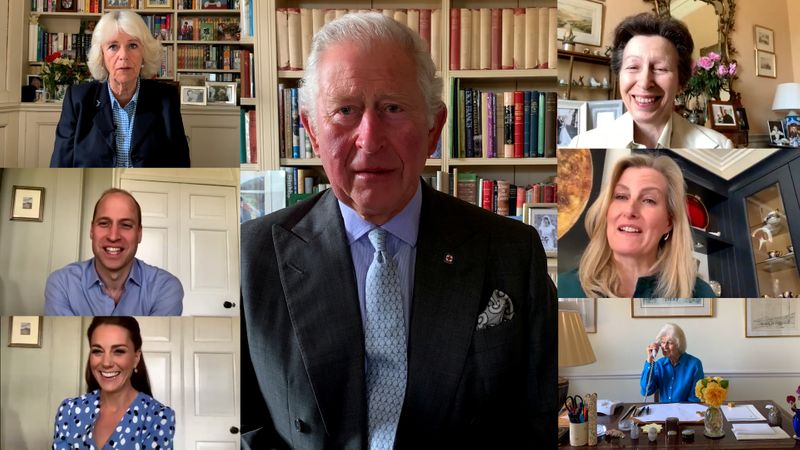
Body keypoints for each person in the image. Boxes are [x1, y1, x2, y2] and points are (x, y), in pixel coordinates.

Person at [240, 12, 556, 449]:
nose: (370, 139)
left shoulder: (512, 253)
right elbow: (247, 429)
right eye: (346, 111)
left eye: (392, 108)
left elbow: (533, 421)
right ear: (312, 131)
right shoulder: (252, 256)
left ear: (433, 129)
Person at [563, 13, 732, 149]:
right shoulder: (582, 147)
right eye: (632, 67)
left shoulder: (718, 148)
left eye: (660, 69)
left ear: (681, 82)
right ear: (619, 75)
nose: (644, 82)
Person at [558, 153, 716, 298]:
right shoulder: (563, 288)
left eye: (648, 200)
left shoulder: (701, 294)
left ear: (669, 222)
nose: (630, 210)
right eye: (621, 196)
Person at [51, 10, 190, 167]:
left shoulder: (166, 99)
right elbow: (60, 164)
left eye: (133, 45)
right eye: (113, 46)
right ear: (101, 55)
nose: (123, 55)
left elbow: (180, 164)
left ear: (144, 52)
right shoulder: (77, 99)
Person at [45, 188, 183, 315]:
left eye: (126, 225)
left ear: (139, 234)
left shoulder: (166, 288)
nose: (113, 236)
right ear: (92, 230)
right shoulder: (62, 284)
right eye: (104, 223)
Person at [51, 317, 175, 449]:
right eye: (97, 351)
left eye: (118, 351)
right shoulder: (69, 410)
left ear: (136, 358)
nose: (106, 363)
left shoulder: (159, 417)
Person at [640, 323, 704, 403]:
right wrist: (649, 360)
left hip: (685, 412)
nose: (665, 347)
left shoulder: (695, 364)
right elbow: (646, 391)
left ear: (679, 344)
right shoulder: (659, 364)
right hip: (664, 412)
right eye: (663, 342)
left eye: (669, 343)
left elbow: (695, 398)